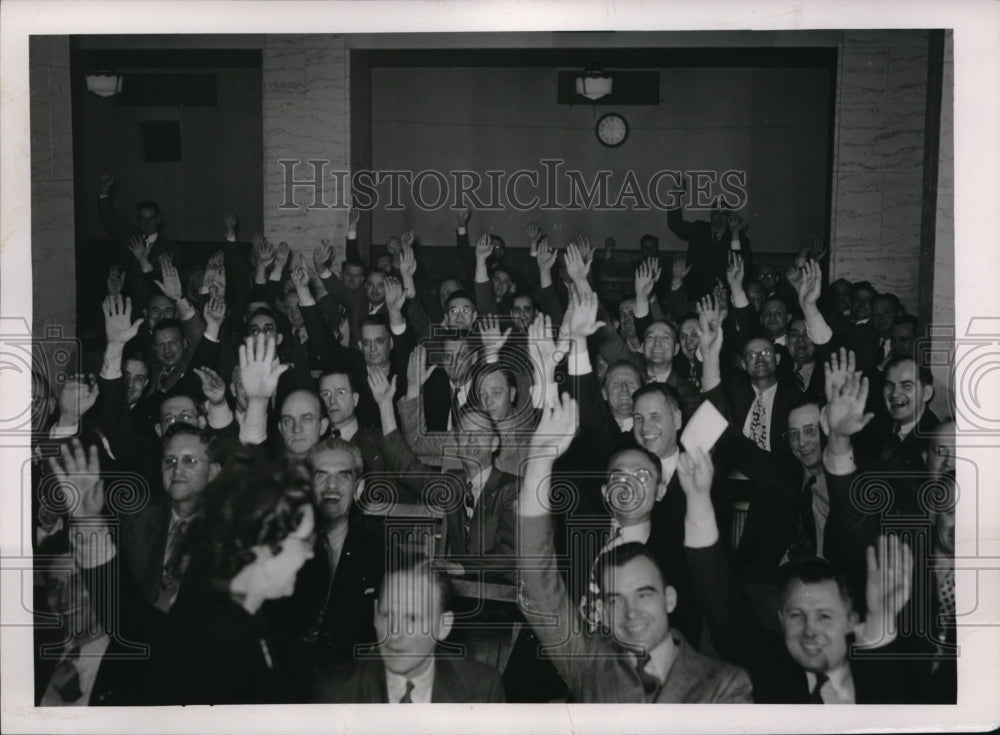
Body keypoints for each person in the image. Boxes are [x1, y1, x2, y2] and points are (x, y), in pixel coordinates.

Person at [517, 393, 753, 703]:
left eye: (642, 476)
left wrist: (698, 499)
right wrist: (539, 458)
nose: (628, 485)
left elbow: (714, 584)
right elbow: (538, 577)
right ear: (604, 492)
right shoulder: (578, 537)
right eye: (619, 477)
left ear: (661, 490)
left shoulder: (676, 556)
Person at [681, 417, 916, 703]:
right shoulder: (766, 667)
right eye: (796, 615)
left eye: (825, 616)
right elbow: (716, 593)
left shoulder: (880, 671)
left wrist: (881, 618)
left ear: (852, 620)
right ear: (780, 619)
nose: (809, 630)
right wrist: (697, 497)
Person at [153, 455, 317, 704]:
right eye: (305, 541)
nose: (310, 553)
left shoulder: (250, 618)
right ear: (264, 544)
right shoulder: (215, 638)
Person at [372, 369, 518, 581]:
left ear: (495, 443)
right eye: (465, 434)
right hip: (462, 595)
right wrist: (385, 405)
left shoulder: (513, 487)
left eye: (480, 434)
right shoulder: (453, 484)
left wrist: (459, 567)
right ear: (456, 445)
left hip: (504, 597)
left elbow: (511, 552)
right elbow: (406, 469)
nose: (471, 440)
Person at [311, 558, 505, 702]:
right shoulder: (335, 692)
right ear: (374, 614)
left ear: (443, 625)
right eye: (387, 615)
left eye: (412, 618)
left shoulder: (483, 689)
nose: (394, 633)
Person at [267, 437, 384, 670]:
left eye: (342, 475)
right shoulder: (279, 546)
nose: (331, 486)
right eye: (321, 475)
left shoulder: (381, 555)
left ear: (358, 488)